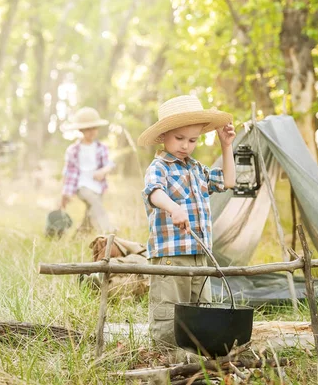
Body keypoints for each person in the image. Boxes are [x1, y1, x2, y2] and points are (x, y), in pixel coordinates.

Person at [137, 95, 236, 349]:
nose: (185, 146)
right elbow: (153, 192)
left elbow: (228, 181)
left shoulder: (197, 169)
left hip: (198, 255)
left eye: (192, 140)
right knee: (169, 310)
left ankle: (195, 354)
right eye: (179, 138)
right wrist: (173, 207)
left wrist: (226, 146)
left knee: (200, 308)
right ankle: (166, 354)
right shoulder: (160, 166)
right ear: (164, 136)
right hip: (171, 255)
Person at [60, 107, 115, 235]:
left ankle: (79, 236)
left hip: (97, 185)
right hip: (82, 185)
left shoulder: (101, 148)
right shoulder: (73, 150)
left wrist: (103, 171)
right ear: (81, 130)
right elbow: (68, 172)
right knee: (95, 203)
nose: (91, 132)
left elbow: (109, 164)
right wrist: (65, 194)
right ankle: (108, 230)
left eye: (94, 128)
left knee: (91, 212)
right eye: (87, 129)